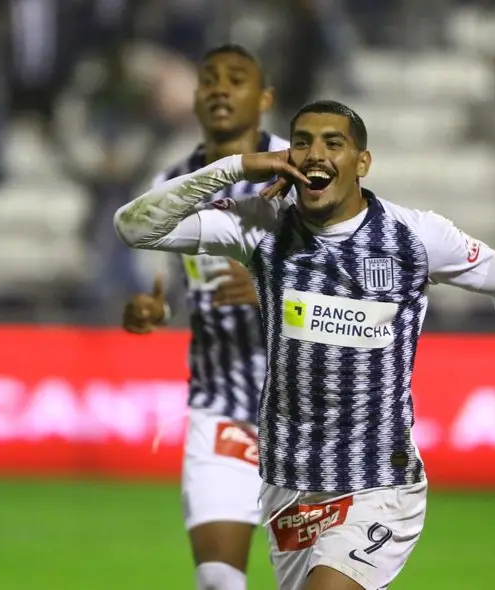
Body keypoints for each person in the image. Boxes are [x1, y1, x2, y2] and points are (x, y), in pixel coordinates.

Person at [114, 100, 495, 590]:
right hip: (287, 487)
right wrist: (236, 167)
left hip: (378, 483)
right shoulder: (261, 226)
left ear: (361, 163)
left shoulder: (413, 236)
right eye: (302, 141)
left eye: (333, 143)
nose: (314, 154)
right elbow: (134, 226)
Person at [120, 44, 287, 590]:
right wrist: (152, 309)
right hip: (221, 406)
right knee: (218, 581)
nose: (219, 89)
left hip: (310, 411)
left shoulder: (303, 168)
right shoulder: (170, 184)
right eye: (209, 80)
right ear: (193, 99)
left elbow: (365, 273)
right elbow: (164, 286)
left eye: (235, 79)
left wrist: (273, 289)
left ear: (264, 98)